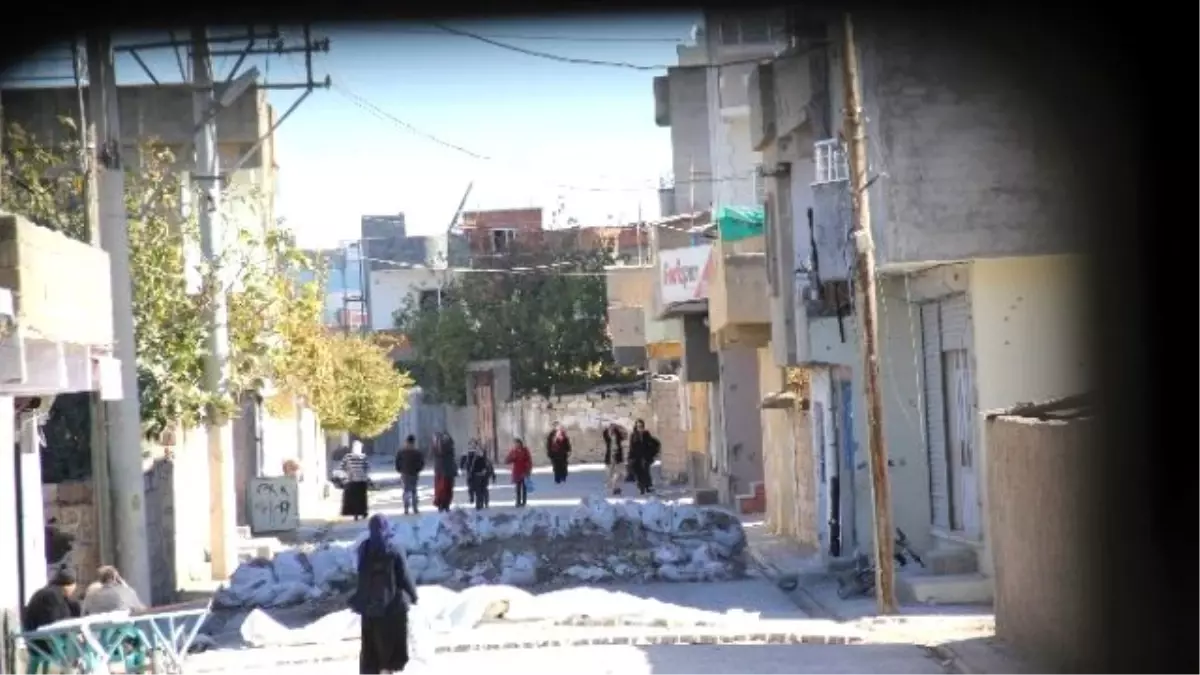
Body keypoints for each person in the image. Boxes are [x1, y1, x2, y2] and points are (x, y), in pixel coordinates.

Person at [351, 514, 419, 675]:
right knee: (389, 650)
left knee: (371, 648)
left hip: (369, 608)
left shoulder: (364, 548)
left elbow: (360, 573)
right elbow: (404, 576)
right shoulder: (394, 548)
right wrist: (414, 595)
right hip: (392, 608)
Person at [23, 568, 81, 673]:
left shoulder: (49, 592)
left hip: (36, 639)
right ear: (69, 585)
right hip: (41, 642)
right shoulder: (53, 596)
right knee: (78, 647)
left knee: (76, 643)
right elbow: (54, 623)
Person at [81, 566, 145, 615]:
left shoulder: (90, 595)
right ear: (115, 578)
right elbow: (141, 610)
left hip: (98, 630)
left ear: (100, 580)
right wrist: (126, 587)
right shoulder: (126, 592)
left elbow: (84, 613)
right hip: (122, 628)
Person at [628, 419, 661, 495]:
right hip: (636, 457)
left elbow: (656, 443)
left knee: (646, 471)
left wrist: (653, 453)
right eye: (638, 426)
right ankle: (642, 487)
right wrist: (630, 457)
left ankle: (648, 486)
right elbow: (631, 447)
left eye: (641, 426)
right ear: (636, 427)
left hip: (646, 457)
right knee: (639, 472)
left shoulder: (646, 434)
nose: (640, 428)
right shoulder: (633, 435)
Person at [340, 441, 371, 521]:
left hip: (351, 480)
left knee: (354, 498)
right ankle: (363, 512)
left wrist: (347, 473)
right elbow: (367, 468)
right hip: (361, 480)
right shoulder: (363, 456)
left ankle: (355, 513)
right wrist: (365, 475)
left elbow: (342, 466)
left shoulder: (347, 456)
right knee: (362, 497)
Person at [394, 435, 425, 516]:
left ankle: (406, 508)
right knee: (414, 491)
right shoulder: (417, 452)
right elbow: (422, 464)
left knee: (406, 491)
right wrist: (418, 470)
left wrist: (400, 470)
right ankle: (415, 508)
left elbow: (397, 464)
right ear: (414, 443)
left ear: (406, 442)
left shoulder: (401, 452)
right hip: (414, 474)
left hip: (405, 474)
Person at [464, 443, 497, 510]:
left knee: (483, 490)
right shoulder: (473, 458)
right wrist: (470, 476)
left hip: (484, 476)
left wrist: (493, 476)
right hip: (476, 477)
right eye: (477, 450)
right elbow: (470, 468)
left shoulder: (485, 459)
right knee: (478, 490)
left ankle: (485, 503)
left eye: (480, 450)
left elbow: (490, 467)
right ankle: (479, 504)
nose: (479, 452)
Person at [431, 432, 458, 513]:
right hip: (442, 472)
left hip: (445, 472)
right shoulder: (440, 449)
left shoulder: (446, 449)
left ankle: (444, 505)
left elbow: (449, 459)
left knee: (445, 489)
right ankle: (443, 504)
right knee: (442, 489)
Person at [504, 438, 534, 508]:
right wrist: (511, 458)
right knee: (518, 488)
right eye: (515, 443)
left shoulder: (525, 450)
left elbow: (529, 460)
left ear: (520, 443)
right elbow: (507, 461)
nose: (516, 445)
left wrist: (528, 470)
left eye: (517, 443)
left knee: (524, 488)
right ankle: (518, 502)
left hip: (524, 471)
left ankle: (523, 502)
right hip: (517, 472)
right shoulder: (513, 451)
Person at [602, 422, 628, 496]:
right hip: (610, 457)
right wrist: (609, 430)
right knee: (610, 474)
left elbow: (625, 436)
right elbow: (605, 434)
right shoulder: (606, 435)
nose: (612, 428)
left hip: (618, 457)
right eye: (611, 427)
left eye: (613, 427)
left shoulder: (618, 434)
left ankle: (615, 486)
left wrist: (620, 427)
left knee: (620, 473)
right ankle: (615, 488)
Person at [458, 441, 482, 506]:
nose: (472, 446)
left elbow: (483, 461)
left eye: (473, 444)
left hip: (477, 472)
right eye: (471, 444)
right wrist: (461, 469)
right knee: (470, 487)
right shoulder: (466, 452)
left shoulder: (479, 452)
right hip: (469, 472)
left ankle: (478, 504)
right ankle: (471, 497)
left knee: (478, 488)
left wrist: (484, 470)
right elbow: (462, 461)